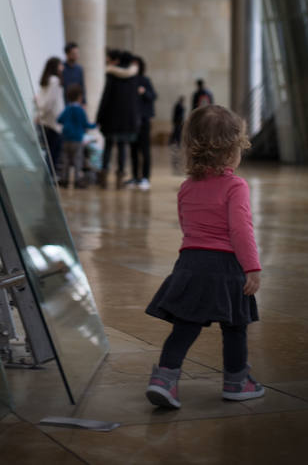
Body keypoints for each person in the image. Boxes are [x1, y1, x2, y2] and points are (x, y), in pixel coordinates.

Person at [144, 104, 264, 408]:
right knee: (235, 327)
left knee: (185, 325)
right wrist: (252, 267)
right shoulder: (235, 186)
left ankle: (164, 379)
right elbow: (241, 230)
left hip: (191, 262)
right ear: (230, 152)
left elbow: (187, 224)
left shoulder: (187, 187)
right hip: (226, 266)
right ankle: (237, 381)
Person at [96, 50, 139, 189]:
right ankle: (120, 179)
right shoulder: (133, 77)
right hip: (126, 120)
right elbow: (135, 102)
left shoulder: (112, 76)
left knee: (108, 146)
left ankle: (103, 177)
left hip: (111, 119)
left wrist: (99, 116)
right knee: (122, 148)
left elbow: (105, 98)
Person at [57, 84, 96, 189]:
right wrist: (95, 125)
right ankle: (77, 181)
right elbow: (86, 124)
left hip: (66, 138)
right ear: (80, 97)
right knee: (77, 160)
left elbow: (59, 120)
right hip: (77, 139)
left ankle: (64, 180)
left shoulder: (67, 108)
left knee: (65, 160)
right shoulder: (80, 110)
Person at [127, 57, 157, 190]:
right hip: (132, 121)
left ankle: (145, 177)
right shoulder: (128, 81)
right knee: (133, 150)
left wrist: (144, 92)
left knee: (145, 151)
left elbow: (153, 96)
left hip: (144, 121)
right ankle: (135, 177)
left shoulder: (145, 80)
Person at [36, 57, 63, 173]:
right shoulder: (54, 81)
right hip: (53, 121)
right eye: (60, 65)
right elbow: (50, 101)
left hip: (46, 120)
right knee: (53, 152)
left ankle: (48, 176)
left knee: (49, 151)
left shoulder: (46, 80)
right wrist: (42, 114)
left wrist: (40, 114)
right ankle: (50, 177)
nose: (62, 68)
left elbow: (41, 100)